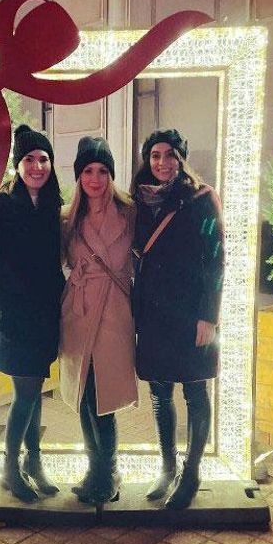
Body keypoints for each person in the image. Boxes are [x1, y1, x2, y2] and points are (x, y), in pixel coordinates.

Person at [131, 129, 225, 509]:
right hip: (154, 314)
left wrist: (208, 315)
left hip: (191, 313)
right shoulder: (140, 200)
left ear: (181, 158)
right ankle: (167, 467)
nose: (162, 162)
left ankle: (191, 472)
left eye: (170, 155)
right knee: (159, 392)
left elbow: (216, 259)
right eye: (155, 155)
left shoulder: (201, 199)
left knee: (195, 391)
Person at [0, 124, 64, 502]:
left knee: (33, 389)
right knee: (26, 393)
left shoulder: (53, 206)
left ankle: (34, 462)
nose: (37, 166)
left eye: (44, 159)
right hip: (12, 317)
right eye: (29, 159)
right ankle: (11, 468)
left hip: (44, 316)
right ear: (17, 164)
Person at [60, 136, 139, 504]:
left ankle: (108, 472)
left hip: (113, 312)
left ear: (111, 174)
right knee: (84, 393)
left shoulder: (130, 213)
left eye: (103, 170)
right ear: (79, 175)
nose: (95, 178)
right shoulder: (67, 218)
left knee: (102, 395)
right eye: (88, 170)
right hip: (79, 311)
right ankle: (96, 471)